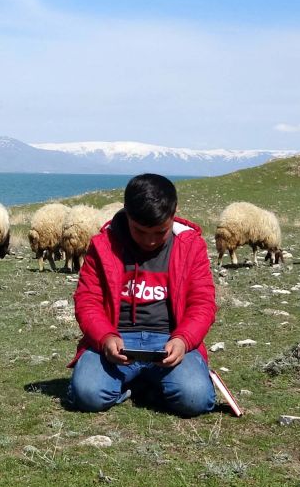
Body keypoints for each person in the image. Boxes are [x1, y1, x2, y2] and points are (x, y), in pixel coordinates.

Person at [67, 173, 218, 417]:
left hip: (169, 340)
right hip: (116, 341)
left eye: (160, 232)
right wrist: (105, 337)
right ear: (126, 212)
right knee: (87, 395)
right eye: (140, 231)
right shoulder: (103, 245)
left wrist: (183, 340)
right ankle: (142, 386)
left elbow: (202, 303)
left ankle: (143, 385)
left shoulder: (191, 245)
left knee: (196, 399)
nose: (150, 241)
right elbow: (87, 300)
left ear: (174, 212)